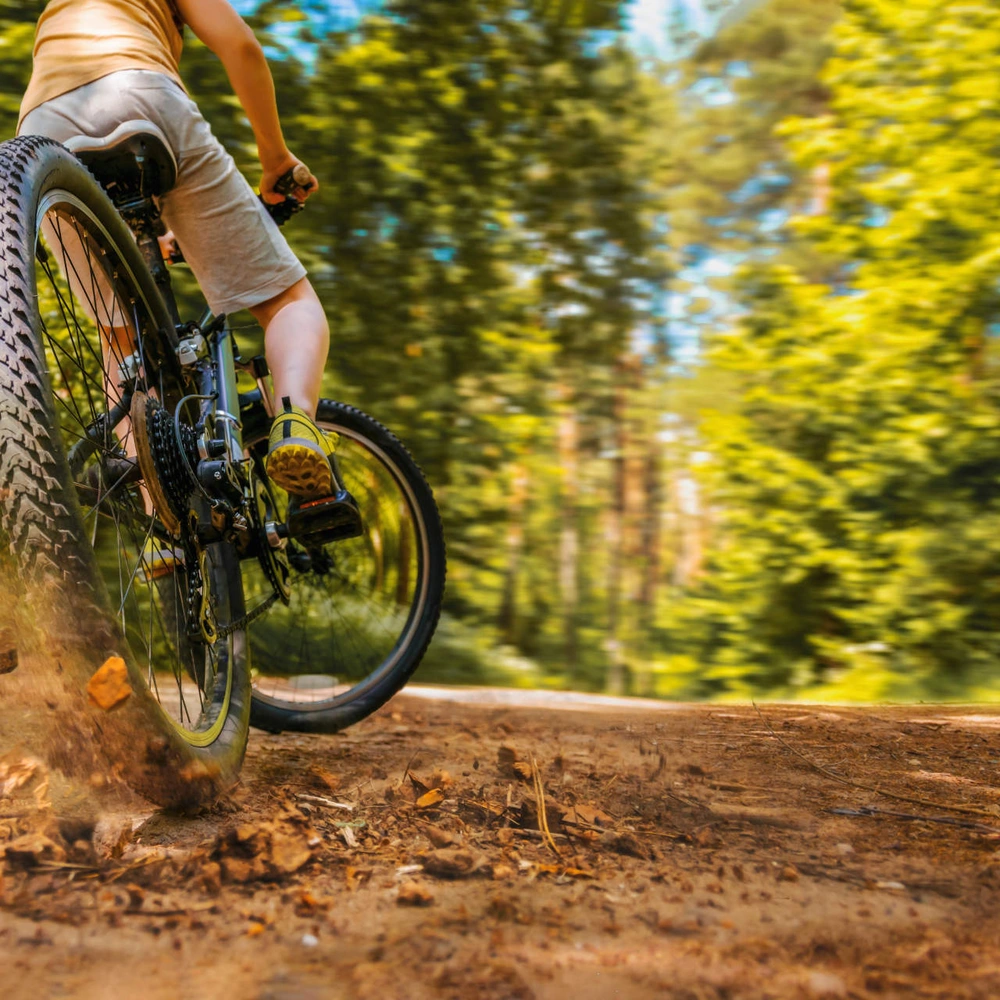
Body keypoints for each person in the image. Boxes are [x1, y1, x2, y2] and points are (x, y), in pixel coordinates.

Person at [18, 0, 337, 500]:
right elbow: (241, 46)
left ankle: (155, 515)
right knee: (286, 301)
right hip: (140, 92)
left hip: (43, 128)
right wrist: (275, 159)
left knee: (120, 336)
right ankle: (295, 424)